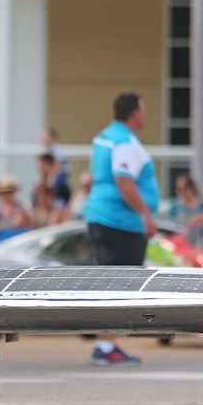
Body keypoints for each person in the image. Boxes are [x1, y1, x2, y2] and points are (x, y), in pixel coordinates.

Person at [83, 92, 160, 365]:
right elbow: (124, 180)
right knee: (117, 284)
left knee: (108, 280)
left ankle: (107, 342)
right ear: (135, 112)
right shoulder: (124, 141)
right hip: (120, 222)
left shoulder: (103, 136)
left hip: (102, 215)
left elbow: (95, 176)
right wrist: (145, 215)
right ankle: (106, 344)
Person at [0, 175, 31, 243]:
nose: (6, 195)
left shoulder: (20, 208)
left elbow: (24, 224)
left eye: (9, 192)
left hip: (15, 243)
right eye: (2, 193)